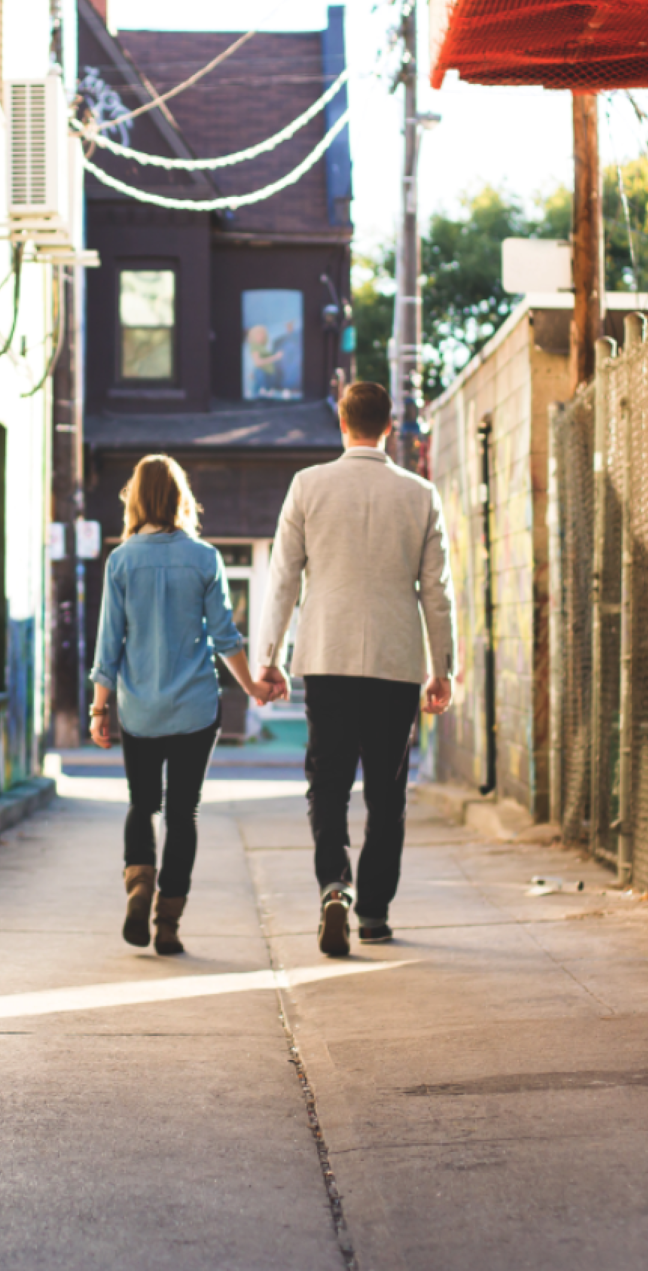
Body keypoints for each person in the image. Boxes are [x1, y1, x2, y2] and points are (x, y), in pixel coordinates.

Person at [255, 381, 454, 957]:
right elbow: (436, 592)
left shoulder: (308, 486)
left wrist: (268, 659)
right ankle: (373, 914)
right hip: (395, 662)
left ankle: (333, 885)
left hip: (328, 656)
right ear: (388, 426)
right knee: (387, 794)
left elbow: (283, 580)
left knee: (329, 783)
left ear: (342, 425)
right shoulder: (419, 494)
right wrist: (443, 667)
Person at [90, 453, 262, 955]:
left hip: (139, 707)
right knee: (183, 814)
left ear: (137, 499)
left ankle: (139, 882)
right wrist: (252, 687)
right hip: (195, 708)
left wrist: (100, 710)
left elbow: (109, 645)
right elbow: (226, 637)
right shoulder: (205, 558)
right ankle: (168, 922)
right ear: (181, 498)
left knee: (142, 803)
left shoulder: (120, 561)